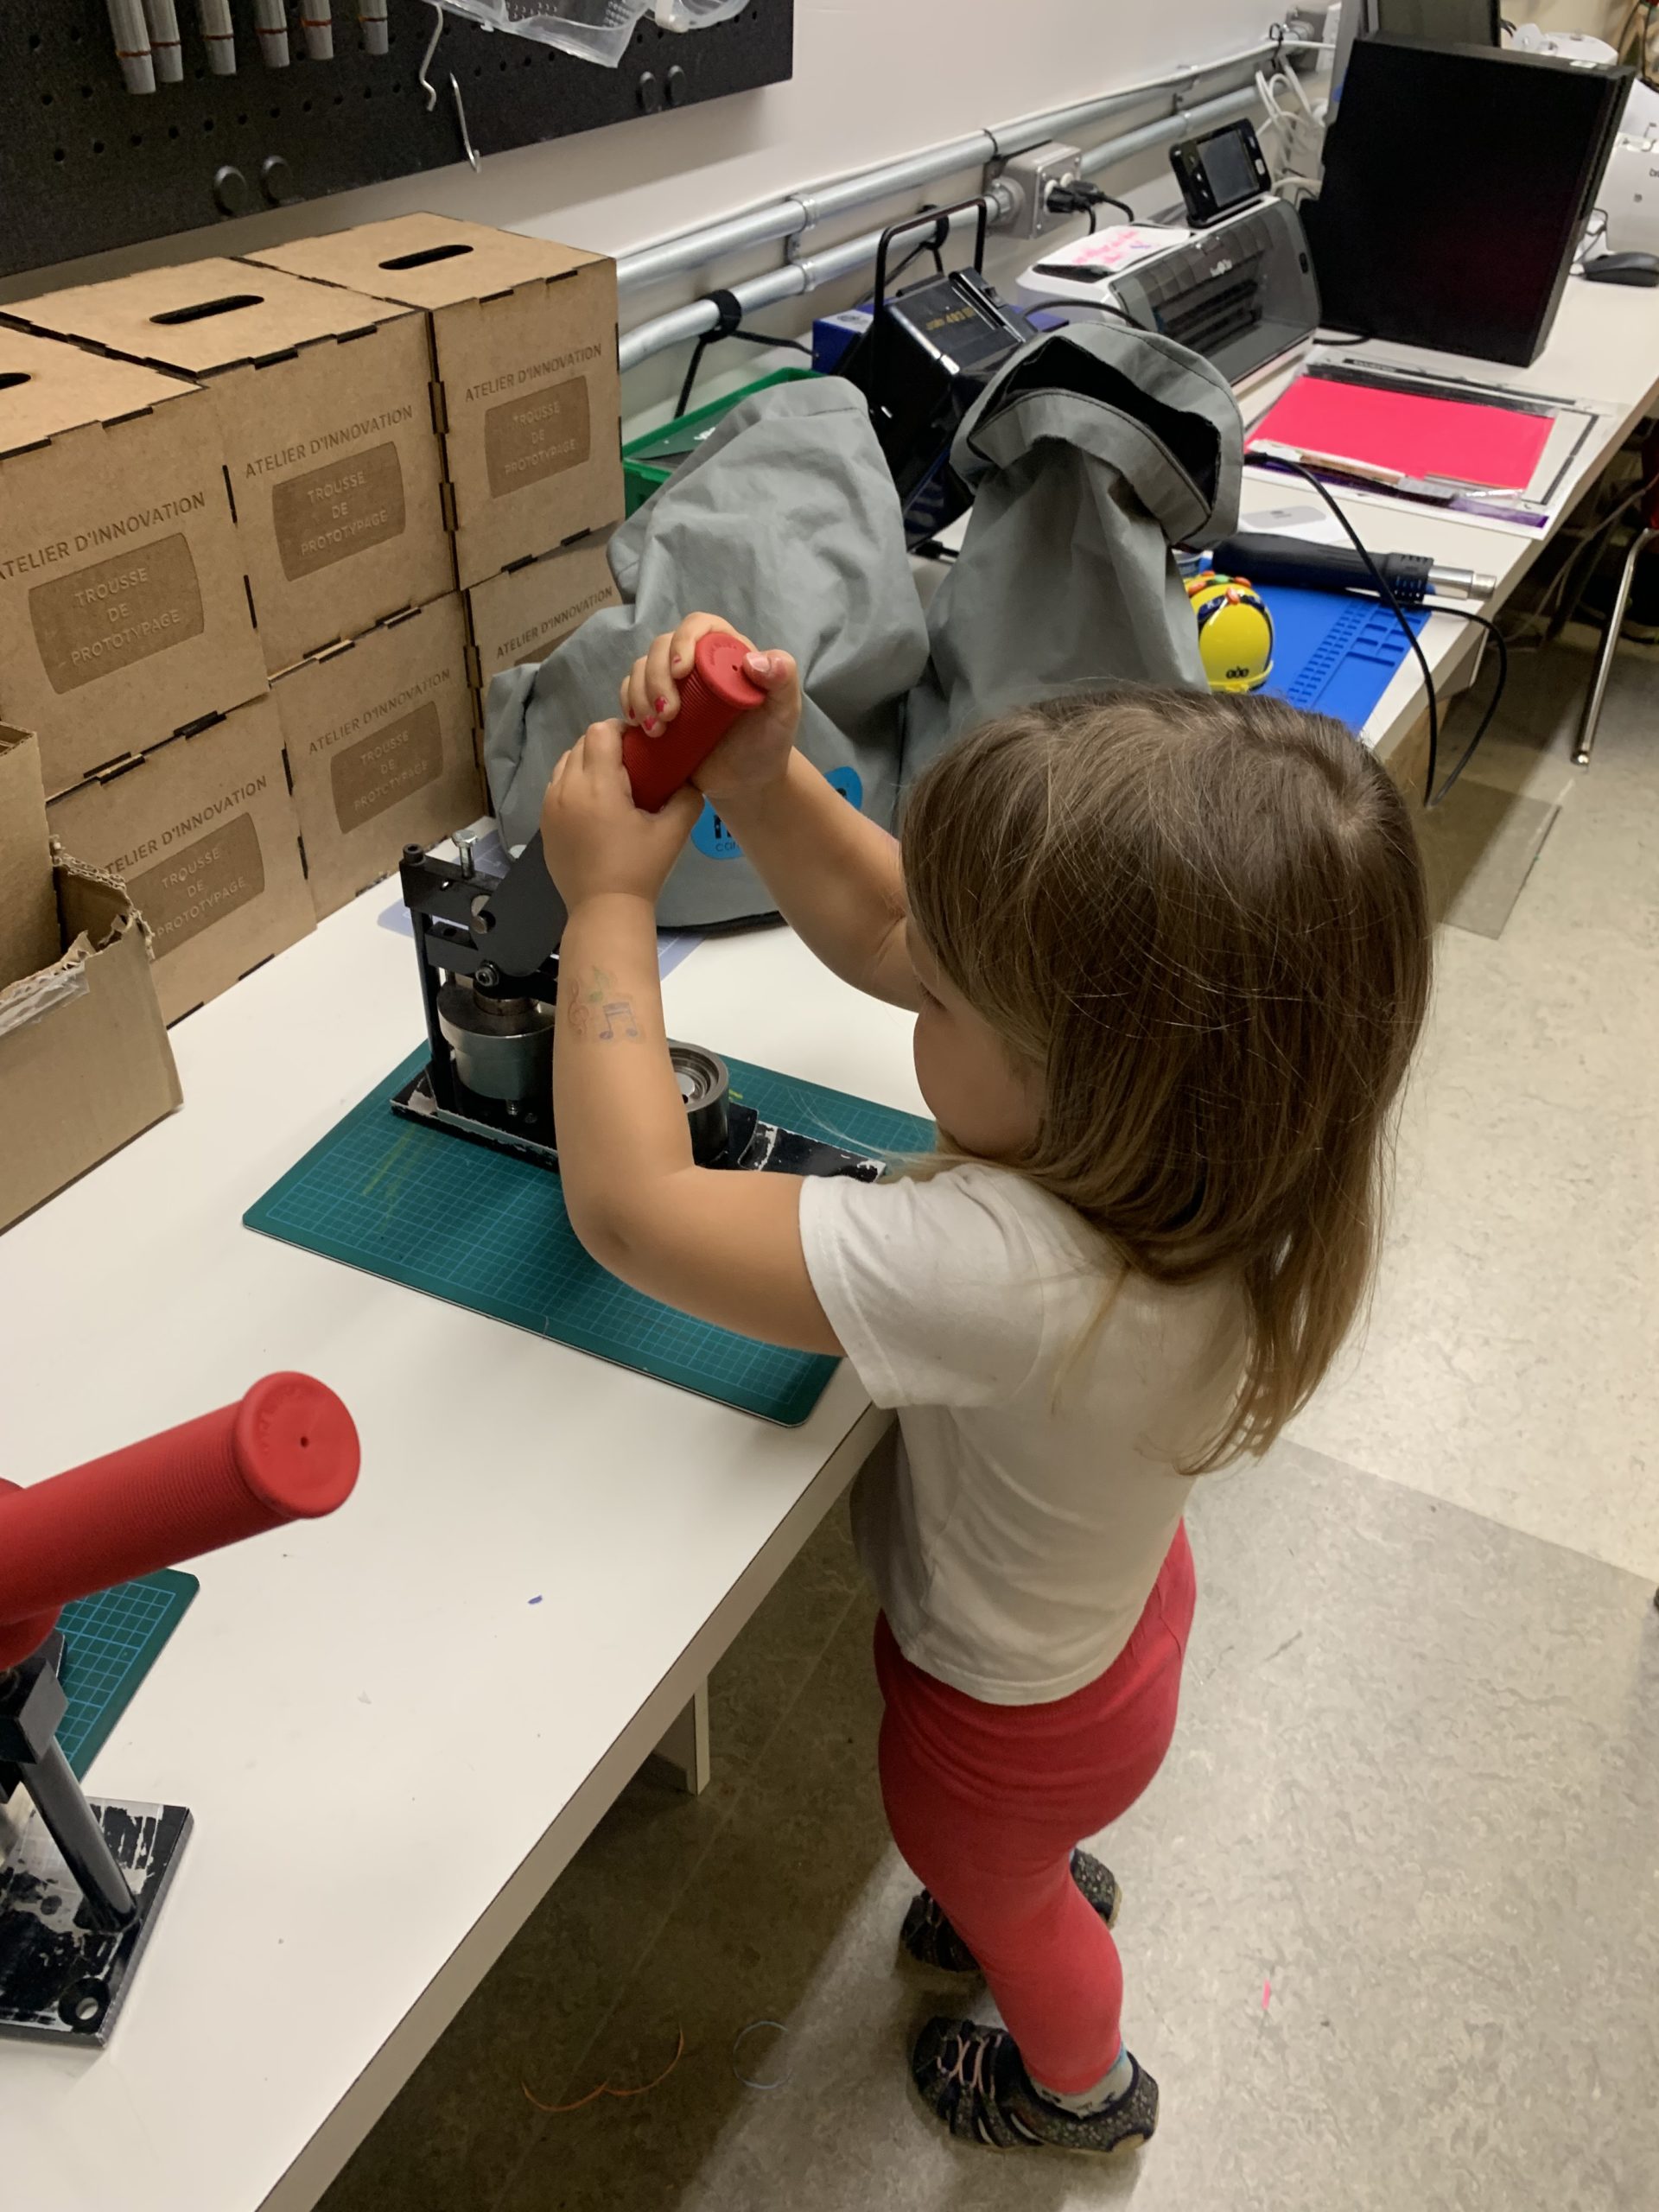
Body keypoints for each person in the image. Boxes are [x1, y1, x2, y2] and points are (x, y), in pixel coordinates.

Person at [537, 612, 1433, 2157]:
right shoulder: (1231, 1154)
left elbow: (634, 1212)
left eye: (946, 1002)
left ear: (1083, 1068)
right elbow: (896, 922)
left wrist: (607, 908)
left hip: (999, 1724)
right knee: (1020, 1861)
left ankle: (1078, 2087)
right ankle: (1035, 1864)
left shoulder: (1007, 1276)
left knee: (1003, 1897)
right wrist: (760, 777)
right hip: (1117, 1626)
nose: (915, 985)